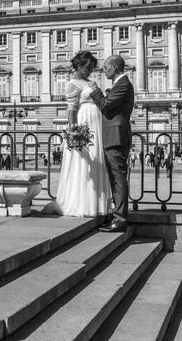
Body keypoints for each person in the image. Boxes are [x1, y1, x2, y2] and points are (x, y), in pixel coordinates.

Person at [42, 51, 111, 217]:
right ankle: (81, 204)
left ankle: (95, 204)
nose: (89, 71)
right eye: (87, 67)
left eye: (92, 68)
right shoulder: (73, 83)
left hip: (96, 126)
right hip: (84, 124)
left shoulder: (89, 82)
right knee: (83, 164)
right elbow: (71, 111)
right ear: (79, 66)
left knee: (96, 163)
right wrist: (73, 132)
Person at [88, 54, 135, 232]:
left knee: (118, 178)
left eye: (106, 67)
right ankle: (118, 216)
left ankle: (120, 219)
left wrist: (95, 90)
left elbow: (106, 105)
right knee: (115, 177)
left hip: (116, 137)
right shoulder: (119, 85)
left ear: (115, 68)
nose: (104, 70)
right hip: (113, 136)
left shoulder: (123, 84)